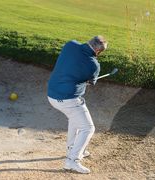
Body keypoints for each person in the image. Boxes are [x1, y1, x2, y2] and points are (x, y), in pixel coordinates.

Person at [47, 36, 107, 174]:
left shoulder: (70, 44)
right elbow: (91, 82)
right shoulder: (94, 65)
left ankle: (72, 147)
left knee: (75, 119)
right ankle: (72, 160)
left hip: (52, 94)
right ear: (98, 52)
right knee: (88, 128)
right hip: (68, 99)